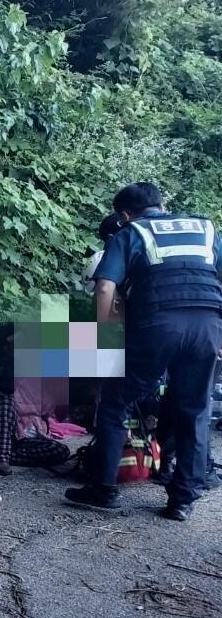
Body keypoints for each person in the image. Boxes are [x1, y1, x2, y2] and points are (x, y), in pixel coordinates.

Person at [65, 182, 222, 521]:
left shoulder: (131, 231)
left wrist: (105, 336)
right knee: (194, 410)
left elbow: (105, 286)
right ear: (162, 203)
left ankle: (102, 489)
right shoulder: (206, 228)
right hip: (207, 326)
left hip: (156, 326)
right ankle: (182, 500)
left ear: (123, 214)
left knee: (115, 402)